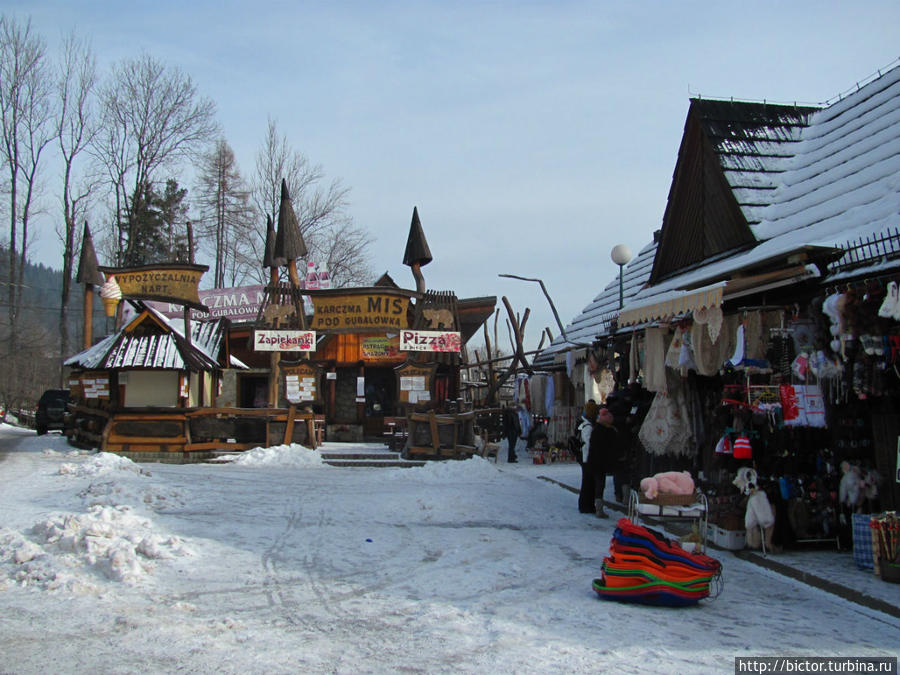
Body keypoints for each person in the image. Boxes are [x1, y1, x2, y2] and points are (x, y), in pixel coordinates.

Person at [587, 405, 620, 518]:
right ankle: (598, 509)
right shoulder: (607, 431)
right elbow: (610, 448)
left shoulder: (597, 429)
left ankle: (596, 507)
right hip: (600, 462)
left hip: (595, 461)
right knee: (600, 484)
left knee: (597, 484)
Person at [576, 400, 598, 513]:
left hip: (585, 458)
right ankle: (586, 505)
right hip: (587, 458)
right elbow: (587, 444)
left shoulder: (583, 423)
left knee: (587, 482)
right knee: (588, 483)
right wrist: (588, 459)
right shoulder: (588, 426)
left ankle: (586, 505)